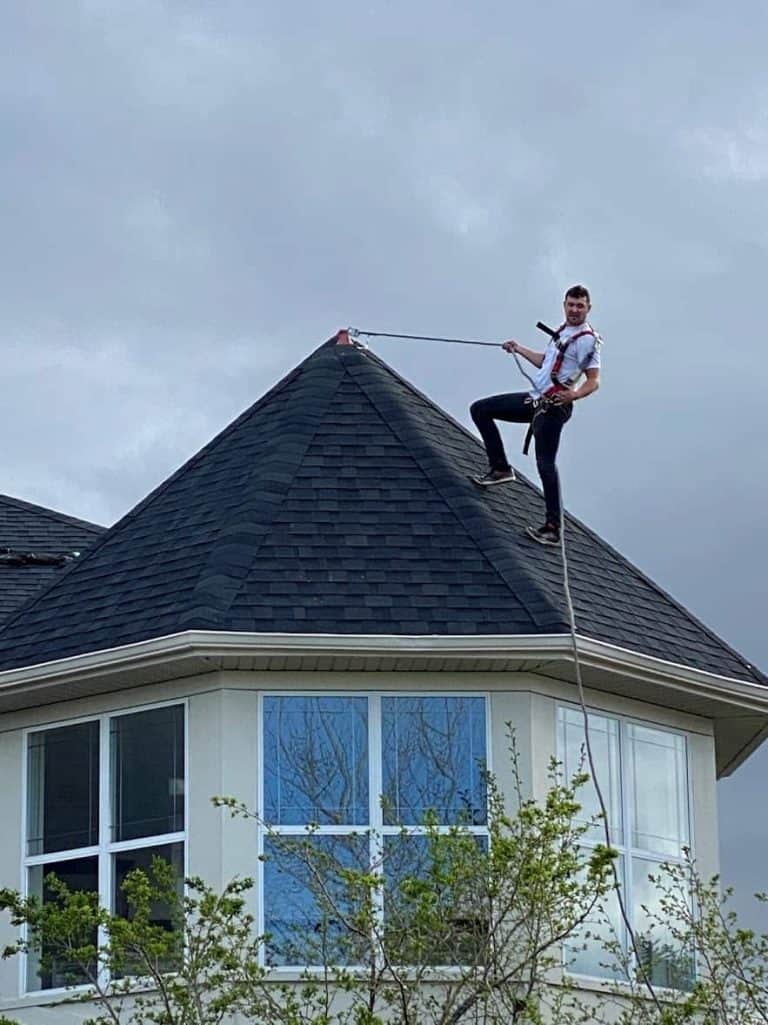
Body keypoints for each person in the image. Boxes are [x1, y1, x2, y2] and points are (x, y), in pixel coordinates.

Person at [469, 285, 601, 546]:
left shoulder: (587, 340)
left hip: (554, 406)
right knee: (481, 409)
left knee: (545, 464)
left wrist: (572, 395)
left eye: (580, 306)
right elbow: (546, 363)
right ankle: (500, 468)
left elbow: (593, 380)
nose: (574, 310)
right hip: (536, 399)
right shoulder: (562, 332)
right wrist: (518, 348)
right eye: (571, 305)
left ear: (588, 308)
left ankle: (552, 528)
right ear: (564, 305)